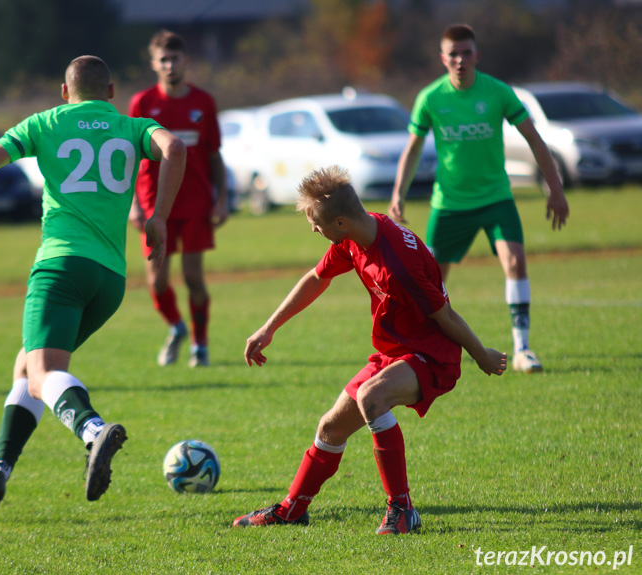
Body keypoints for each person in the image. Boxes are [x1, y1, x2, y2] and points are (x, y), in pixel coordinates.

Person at [0, 55, 186, 517]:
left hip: (60, 268)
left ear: (65, 92)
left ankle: (91, 429)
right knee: (27, 366)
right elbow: (176, 148)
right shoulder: (130, 126)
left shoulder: (44, 122)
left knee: (42, 375)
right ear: (111, 92)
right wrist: (158, 216)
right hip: (110, 280)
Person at [233, 166, 506, 534]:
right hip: (395, 351)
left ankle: (402, 510)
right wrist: (269, 328)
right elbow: (317, 278)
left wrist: (481, 355)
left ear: (341, 222)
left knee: (371, 397)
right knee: (330, 428)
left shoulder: (398, 264)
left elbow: (446, 317)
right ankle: (291, 509)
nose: (314, 229)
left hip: (431, 354)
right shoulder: (355, 237)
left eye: (316, 222)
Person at [389, 24, 569, 374]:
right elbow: (411, 150)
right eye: (452, 54)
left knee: (515, 263)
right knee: (432, 284)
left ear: (477, 56)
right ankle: (421, 349)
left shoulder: (498, 93)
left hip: (496, 199)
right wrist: (398, 194)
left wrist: (555, 188)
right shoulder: (430, 98)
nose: (460, 60)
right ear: (443, 59)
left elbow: (534, 139)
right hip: (450, 205)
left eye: (466, 52)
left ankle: (523, 349)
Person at [128, 29, 229, 368]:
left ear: (186, 61)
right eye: (163, 60)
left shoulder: (204, 103)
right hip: (154, 204)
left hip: (196, 203)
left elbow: (215, 156)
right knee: (156, 282)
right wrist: (132, 205)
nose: (170, 65)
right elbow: (126, 156)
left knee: (193, 278)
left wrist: (222, 199)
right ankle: (176, 327)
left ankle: (200, 345)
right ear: (154, 64)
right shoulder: (142, 103)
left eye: (175, 59)